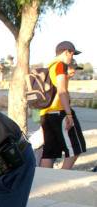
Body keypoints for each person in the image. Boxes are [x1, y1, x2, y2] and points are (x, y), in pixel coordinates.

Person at [39, 41, 86, 170]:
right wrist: (69, 114)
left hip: (45, 114)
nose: (72, 57)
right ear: (66, 52)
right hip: (59, 113)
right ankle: (62, 177)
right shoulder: (60, 65)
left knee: (49, 151)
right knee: (75, 148)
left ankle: (45, 179)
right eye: (72, 54)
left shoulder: (48, 67)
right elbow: (62, 90)